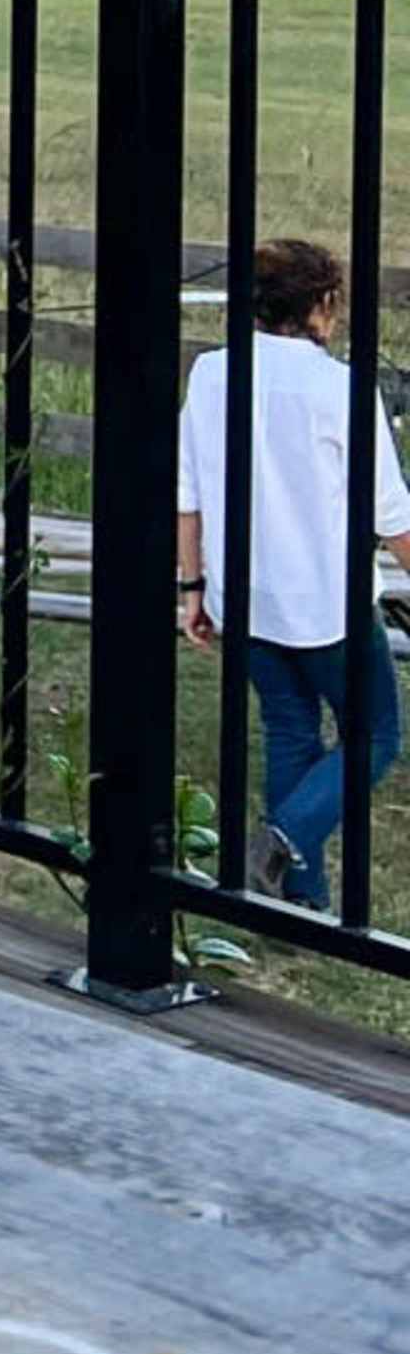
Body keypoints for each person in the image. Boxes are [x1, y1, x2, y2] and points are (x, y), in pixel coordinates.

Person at [175, 239, 410, 912]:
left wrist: (192, 587)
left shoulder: (212, 373)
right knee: (374, 737)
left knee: (289, 729)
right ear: (320, 305)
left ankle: (295, 899)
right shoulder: (340, 388)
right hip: (327, 603)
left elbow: (186, 491)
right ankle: (279, 842)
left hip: (242, 595)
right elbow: (391, 513)